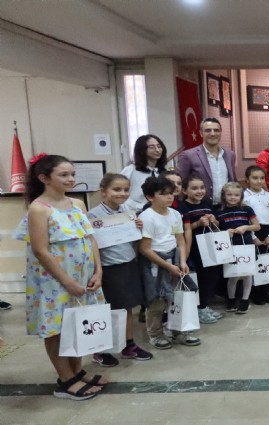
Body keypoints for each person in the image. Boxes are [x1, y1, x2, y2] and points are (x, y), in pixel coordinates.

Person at [15, 153, 107, 400]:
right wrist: (67, 281)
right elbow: (41, 250)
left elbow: (90, 238)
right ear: (44, 178)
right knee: (57, 328)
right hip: (55, 280)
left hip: (83, 276)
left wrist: (98, 270)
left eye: (72, 174)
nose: (70, 179)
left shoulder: (77, 204)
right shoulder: (39, 209)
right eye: (63, 175)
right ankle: (65, 380)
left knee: (78, 323)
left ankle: (76, 371)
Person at [87, 174, 152, 367]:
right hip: (107, 268)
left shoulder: (128, 212)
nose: (122, 193)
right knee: (107, 310)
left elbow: (134, 240)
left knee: (127, 307)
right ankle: (100, 350)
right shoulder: (93, 215)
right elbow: (91, 244)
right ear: (103, 191)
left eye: (126, 190)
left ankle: (128, 345)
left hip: (128, 264)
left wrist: (138, 228)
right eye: (116, 189)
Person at [138, 177, 199, 350]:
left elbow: (180, 240)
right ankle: (155, 334)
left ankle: (178, 330)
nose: (169, 197)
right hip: (155, 262)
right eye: (163, 194)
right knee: (157, 300)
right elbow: (145, 249)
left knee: (177, 297)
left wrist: (182, 261)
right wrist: (167, 266)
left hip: (174, 258)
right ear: (150, 197)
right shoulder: (147, 217)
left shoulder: (175, 214)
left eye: (171, 193)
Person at [179, 175, 222, 324]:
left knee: (212, 276)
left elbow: (217, 224)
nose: (199, 191)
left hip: (209, 244)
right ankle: (199, 308)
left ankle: (205, 305)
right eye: (194, 188)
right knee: (201, 277)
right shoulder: (183, 206)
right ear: (185, 191)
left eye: (202, 187)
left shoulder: (206, 202)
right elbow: (182, 229)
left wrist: (213, 220)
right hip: (195, 247)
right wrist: (197, 224)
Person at [216, 182, 261, 314]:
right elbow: (216, 230)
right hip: (230, 245)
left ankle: (245, 300)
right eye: (229, 195)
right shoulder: (219, 211)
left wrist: (246, 227)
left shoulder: (247, 209)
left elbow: (257, 226)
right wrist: (225, 233)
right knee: (233, 274)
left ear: (241, 196)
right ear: (224, 196)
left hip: (246, 243)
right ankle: (231, 300)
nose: (233, 197)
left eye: (236, 195)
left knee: (247, 273)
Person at [176, 118, 237, 207]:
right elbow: (180, 183)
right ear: (201, 133)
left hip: (226, 206)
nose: (212, 134)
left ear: (220, 133)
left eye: (216, 130)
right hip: (200, 207)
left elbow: (233, 180)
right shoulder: (188, 155)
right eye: (208, 130)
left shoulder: (230, 155)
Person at [242, 166, 269, 305]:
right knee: (255, 263)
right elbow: (245, 219)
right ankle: (255, 293)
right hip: (252, 231)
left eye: (262, 178)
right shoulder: (244, 197)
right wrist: (253, 237)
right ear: (247, 180)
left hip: (268, 231)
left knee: (267, 262)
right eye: (255, 178)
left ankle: (265, 291)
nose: (259, 181)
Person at [121, 134, 168, 213]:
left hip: (158, 212)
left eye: (159, 146)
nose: (157, 150)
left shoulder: (162, 172)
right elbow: (120, 194)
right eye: (152, 147)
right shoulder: (131, 170)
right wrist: (141, 207)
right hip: (134, 212)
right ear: (142, 150)